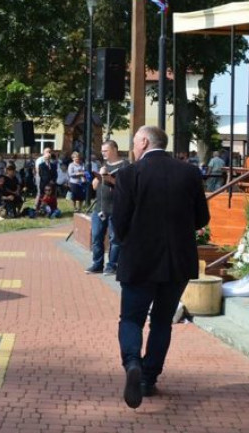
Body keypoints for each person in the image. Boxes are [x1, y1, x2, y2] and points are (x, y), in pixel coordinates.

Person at [113, 126, 210, 408]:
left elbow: (119, 223)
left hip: (139, 260)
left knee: (131, 319)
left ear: (144, 141)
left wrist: (128, 241)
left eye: (133, 142)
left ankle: (132, 362)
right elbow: (202, 218)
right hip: (177, 262)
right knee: (161, 321)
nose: (132, 147)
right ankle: (148, 378)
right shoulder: (189, 173)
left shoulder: (129, 174)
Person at [87, 139, 128, 275]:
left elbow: (126, 187)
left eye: (105, 150)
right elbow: (94, 186)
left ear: (114, 150)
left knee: (114, 239)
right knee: (96, 237)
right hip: (99, 208)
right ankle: (97, 264)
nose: (103, 153)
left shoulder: (125, 165)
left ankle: (112, 266)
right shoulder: (103, 165)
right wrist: (98, 177)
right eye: (102, 151)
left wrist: (109, 178)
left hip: (116, 209)